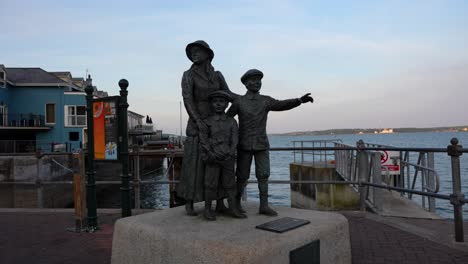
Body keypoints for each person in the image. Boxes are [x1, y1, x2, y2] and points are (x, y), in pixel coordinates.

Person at [227, 69, 313, 216]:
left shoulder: (265, 100)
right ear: (246, 84)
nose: (256, 83)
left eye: (258, 80)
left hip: (261, 144)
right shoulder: (239, 102)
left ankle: (264, 205)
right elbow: (227, 119)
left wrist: (299, 100)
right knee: (241, 176)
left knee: (264, 174)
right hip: (243, 145)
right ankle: (235, 204)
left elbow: (282, 105)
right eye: (252, 80)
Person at [176, 40, 238, 216]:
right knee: (193, 165)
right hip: (198, 124)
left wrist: (246, 99)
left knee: (217, 164)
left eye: (198, 51)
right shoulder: (188, 75)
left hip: (218, 125)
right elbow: (188, 100)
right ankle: (189, 202)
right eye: (192, 52)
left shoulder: (217, 75)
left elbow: (229, 94)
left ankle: (219, 203)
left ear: (207, 54)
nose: (195, 54)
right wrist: (198, 121)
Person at [199, 90, 246, 220]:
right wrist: (210, 153)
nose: (218, 104)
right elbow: (203, 139)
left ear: (226, 104)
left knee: (230, 184)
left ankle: (233, 208)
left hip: (227, 157)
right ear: (211, 104)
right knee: (210, 184)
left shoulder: (232, 122)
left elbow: (235, 139)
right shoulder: (206, 122)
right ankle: (207, 209)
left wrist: (231, 152)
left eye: (221, 102)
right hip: (212, 158)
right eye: (215, 102)